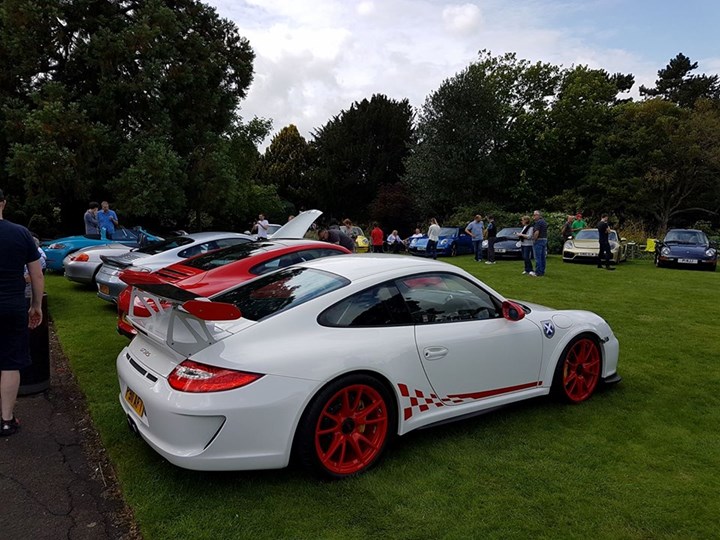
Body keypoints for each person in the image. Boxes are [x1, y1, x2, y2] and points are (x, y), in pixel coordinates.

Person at [0, 188, 45, 436]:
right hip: (11, 306)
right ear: (3, 203)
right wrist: (36, 305)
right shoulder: (20, 233)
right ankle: (6, 420)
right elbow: (36, 274)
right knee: (9, 362)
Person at [531, 210, 548, 277]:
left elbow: (537, 232)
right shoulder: (544, 222)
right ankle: (542, 271)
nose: (533, 216)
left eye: (534, 215)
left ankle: (538, 272)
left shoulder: (538, 222)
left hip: (539, 240)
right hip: (544, 239)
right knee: (542, 257)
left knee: (537, 257)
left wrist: (534, 239)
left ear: (538, 215)